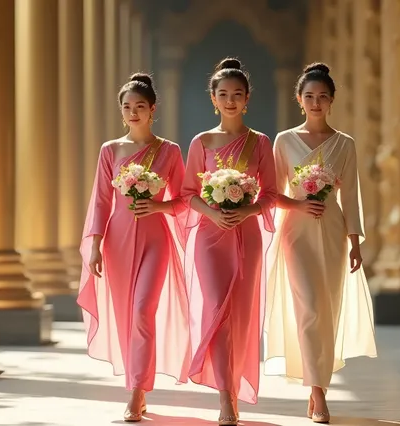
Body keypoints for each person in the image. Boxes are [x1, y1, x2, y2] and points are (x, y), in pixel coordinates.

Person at [264, 63, 378, 423]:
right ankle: (318, 393)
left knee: (326, 312)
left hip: (331, 233)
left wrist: (355, 242)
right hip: (295, 233)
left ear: (331, 101)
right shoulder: (284, 141)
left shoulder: (345, 144)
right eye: (309, 97)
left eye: (322, 97)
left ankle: (319, 388)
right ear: (300, 100)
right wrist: (299, 203)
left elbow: (352, 199)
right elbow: (271, 194)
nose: (316, 102)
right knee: (309, 309)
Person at [77, 73, 190, 422]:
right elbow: (99, 201)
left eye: (140, 106)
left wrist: (159, 206)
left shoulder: (169, 150)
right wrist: (94, 245)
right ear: (121, 111)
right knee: (128, 315)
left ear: (153, 109)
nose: (133, 113)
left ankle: (138, 391)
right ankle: (136, 387)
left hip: (156, 238)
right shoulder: (110, 150)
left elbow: (185, 199)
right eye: (127, 107)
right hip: (118, 241)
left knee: (143, 311)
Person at [180, 57, 277, 426]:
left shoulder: (260, 143)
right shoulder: (202, 141)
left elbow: (269, 194)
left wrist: (248, 212)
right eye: (224, 94)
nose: (231, 100)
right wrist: (214, 213)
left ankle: (233, 388)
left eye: (237, 94)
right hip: (209, 237)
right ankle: (225, 399)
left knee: (239, 317)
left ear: (247, 98)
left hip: (246, 236)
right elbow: (189, 193)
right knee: (217, 314)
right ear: (213, 99)